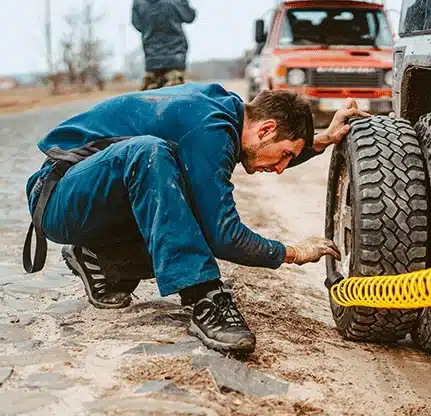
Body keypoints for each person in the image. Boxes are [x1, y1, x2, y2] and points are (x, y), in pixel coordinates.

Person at [24, 83, 370, 355]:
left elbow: (251, 156)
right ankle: (204, 297)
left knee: (185, 203)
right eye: (285, 156)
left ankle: (100, 261)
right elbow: (223, 235)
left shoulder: (228, 117)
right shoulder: (211, 126)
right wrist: (292, 252)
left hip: (89, 201)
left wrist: (321, 140)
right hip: (56, 197)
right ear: (266, 129)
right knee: (151, 155)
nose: (280, 169)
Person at [131, 0, 197, 90]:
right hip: (175, 58)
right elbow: (189, 16)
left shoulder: (138, 2)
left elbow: (137, 24)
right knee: (176, 96)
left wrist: (151, 30)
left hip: (151, 60)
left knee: (151, 99)